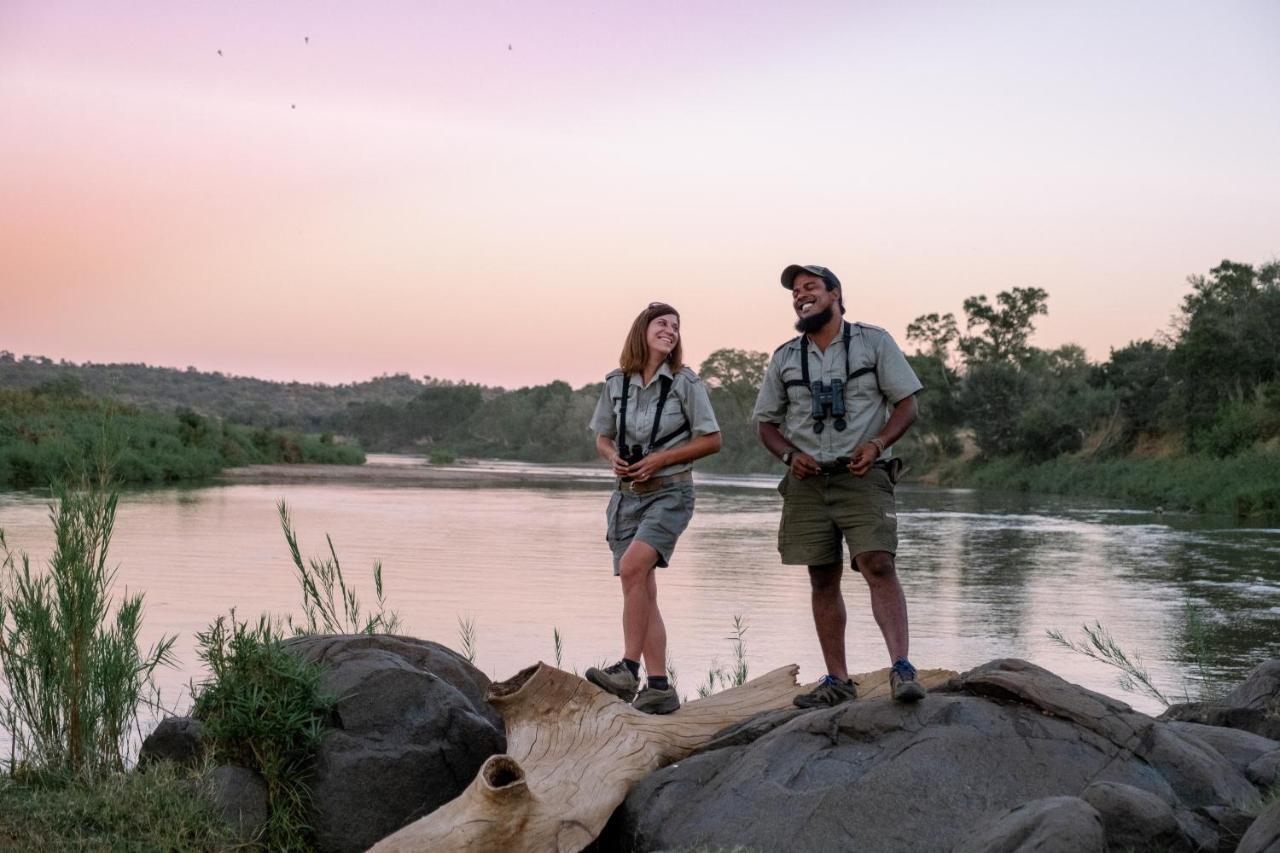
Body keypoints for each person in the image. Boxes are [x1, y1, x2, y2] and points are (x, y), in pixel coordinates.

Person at [753, 264, 926, 707]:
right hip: (807, 482)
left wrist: (878, 443)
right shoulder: (786, 356)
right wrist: (790, 456)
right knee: (821, 577)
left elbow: (906, 404)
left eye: (810, 288)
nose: (800, 296)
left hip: (862, 474)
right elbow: (767, 425)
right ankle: (838, 679)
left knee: (878, 563)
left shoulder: (874, 341)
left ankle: (902, 668)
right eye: (795, 291)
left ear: (835, 294)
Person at [585, 302, 721, 715]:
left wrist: (659, 460)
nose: (671, 330)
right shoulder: (616, 382)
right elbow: (602, 437)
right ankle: (660, 686)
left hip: (670, 493)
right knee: (641, 588)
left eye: (676, 326)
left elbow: (712, 439)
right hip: (626, 496)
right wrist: (612, 458)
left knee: (631, 569)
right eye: (662, 323)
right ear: (642, 330)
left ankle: (627, 669)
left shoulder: (685, 382)